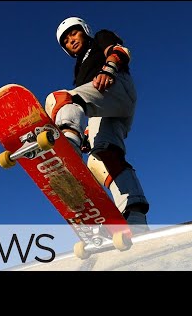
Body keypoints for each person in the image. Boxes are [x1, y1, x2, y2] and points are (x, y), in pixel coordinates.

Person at [45, 16, 150, 235]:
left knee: (60, 99)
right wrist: (85, 134)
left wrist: (109, 68)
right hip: (108, 108)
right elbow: (88, 105)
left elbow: (121, 51)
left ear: (84, 30)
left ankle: (67, 156)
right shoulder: (78, 70)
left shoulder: (99, 38)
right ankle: (134, 216)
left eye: (73, 33)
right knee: (100, 158)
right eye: (65, 40)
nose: (70, 40)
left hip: (116, 85)